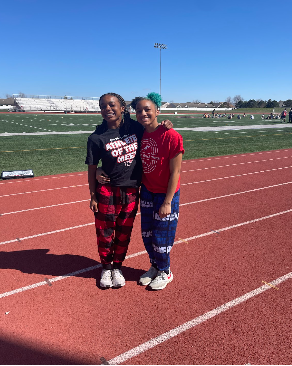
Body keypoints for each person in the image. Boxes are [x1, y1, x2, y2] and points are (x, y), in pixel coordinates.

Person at [85, 92, 172, 289]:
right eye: (103, 106)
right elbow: (91, 168)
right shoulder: (96, 137)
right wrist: (92, 195)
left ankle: (118, 267)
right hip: (106, 190)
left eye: (112, 105)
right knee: (105, 232)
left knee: (124, 232)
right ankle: (106, 268)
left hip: (132, 190)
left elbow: (152, 127)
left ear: (122, 108)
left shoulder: (135, 128)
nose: (107, 109)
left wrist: (165, 123)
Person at [131, 93, 184, 290]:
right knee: (148, 235)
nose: (143, 113)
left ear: (157, 111)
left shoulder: (171, 136)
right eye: (139, 110)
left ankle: (166, 271)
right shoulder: (140, 133)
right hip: (147, 191)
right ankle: (155, 266)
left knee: (162, 237)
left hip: (165, 194)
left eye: (147, 110)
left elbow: (176, 172)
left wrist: (168, 201)